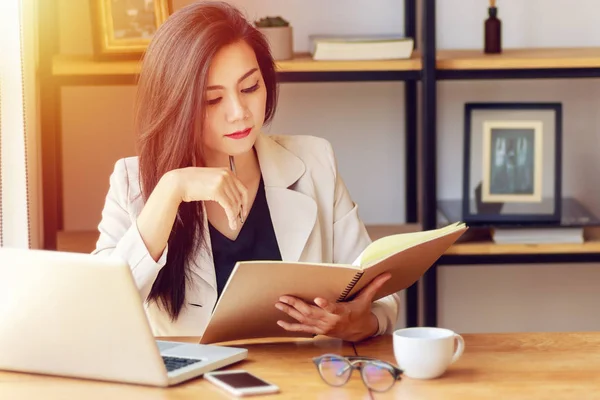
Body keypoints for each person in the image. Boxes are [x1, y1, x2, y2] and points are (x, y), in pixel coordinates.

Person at [93, 0, 401, 342]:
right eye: (212, 100)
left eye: (250, 88)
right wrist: (172, 189)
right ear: (175, 103)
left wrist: (360, 323)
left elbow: (376, 292)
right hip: (190, 391)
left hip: (301, 385)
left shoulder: (314, 161)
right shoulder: (133, 183)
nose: (239, 112)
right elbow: (100, 309)